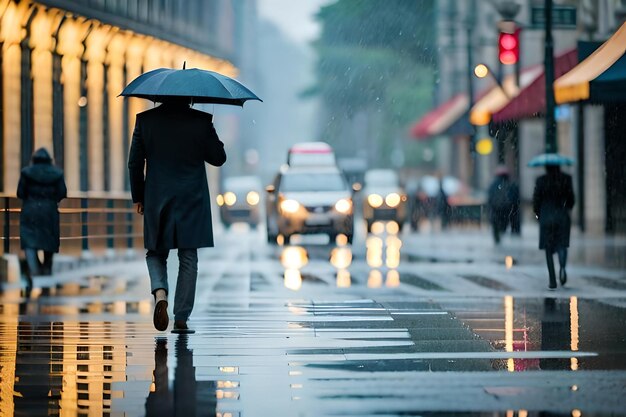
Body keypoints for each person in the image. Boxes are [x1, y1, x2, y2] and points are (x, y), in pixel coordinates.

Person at [128, 100, 226, 333]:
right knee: (188, 256)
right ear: (189, 98)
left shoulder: (145, 121)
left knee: (155, 252)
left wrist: (139, 197)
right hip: (191, 198)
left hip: (157, 196)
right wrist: (212, 135)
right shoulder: (201, 122)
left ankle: (160, 292)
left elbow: (134, 163)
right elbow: (218, 158)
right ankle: (181, 316)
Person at [17, 148, 67, 280]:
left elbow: (20, 193)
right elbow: (62, 192)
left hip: (30, 210)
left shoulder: (26, 173)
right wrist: (51, 200)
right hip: (49, 210)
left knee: (29, 240)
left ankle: (35, 270)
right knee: (49, 240)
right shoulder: (57, 173)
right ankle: (46, 268)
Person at [532, 165, 575, 290]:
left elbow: (536, 200)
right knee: (562, 244)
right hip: (562, 216)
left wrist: (538, 214)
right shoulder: (566, 179)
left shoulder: (541, 180)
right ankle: (562, 268)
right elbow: (571, 199)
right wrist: (566, 208)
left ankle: (552, 280)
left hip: (546, 217)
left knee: (548, 248)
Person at [487, 166, 520, 244]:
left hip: (496, 210)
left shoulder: (493, 185)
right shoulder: (512, 184)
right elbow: (516, 199)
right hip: (508, 211)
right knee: (505, 226)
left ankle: (497, 240)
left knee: (497, 226)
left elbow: (490, 198)